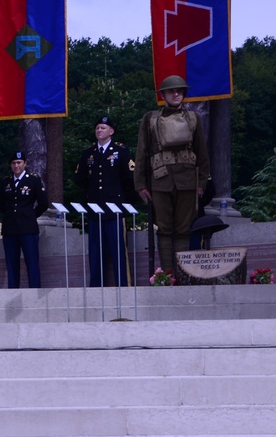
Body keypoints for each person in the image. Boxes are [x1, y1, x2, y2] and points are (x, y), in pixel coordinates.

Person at [134, 75, 211, 273]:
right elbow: (141, 153)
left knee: (184, 230)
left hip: (187, 181)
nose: (176, 94)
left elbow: (202, 153)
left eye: (179, 91)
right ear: (163, 95)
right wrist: (141, 185)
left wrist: (201, 181)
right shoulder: (150, 119)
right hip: (160, 181)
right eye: (171, 91)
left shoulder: (193, 119)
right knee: (165, 229)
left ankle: (183, 273)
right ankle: (168, 276)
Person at [73, 116, 137, 287]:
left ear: (111, 131)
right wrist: (91, 194)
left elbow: (129, 178)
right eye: (97, 128)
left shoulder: (121, 151)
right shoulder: (89, 153)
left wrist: (124, 200)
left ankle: (123, 286)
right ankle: (96, 287)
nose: (99, 130)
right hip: (95, 210)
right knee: (95, 252)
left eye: (103, 127)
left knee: (118, 252)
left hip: (115, 210)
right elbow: (79, 178)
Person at [0, 151, 48, 288]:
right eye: (13, 163)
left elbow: (43, 203)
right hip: (10, 228)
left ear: (25, 164)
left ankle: (34, 289)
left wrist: (30, 215)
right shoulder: (6, 182)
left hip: (28, 227)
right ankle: (13, 289)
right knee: (12, 264)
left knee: (32, 262)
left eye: (19, 162)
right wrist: (10, 215)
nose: (16, 165)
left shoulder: (33, 180)